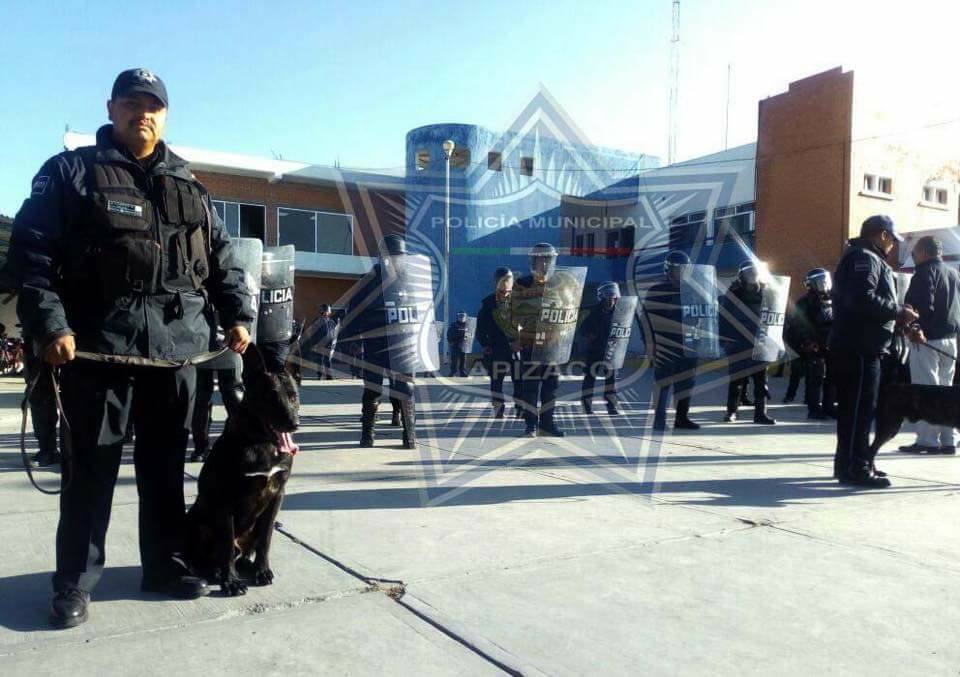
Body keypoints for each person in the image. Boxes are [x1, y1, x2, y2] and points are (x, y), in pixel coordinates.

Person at [8, 68, 255, 628]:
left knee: (164, 468)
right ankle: (74, 582)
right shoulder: (70, 173)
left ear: (164, 115)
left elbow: (222, 260)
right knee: (91, 471)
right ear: (111, 108)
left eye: (153, 105)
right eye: (131, 102)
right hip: (98, 350)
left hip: (176, 354)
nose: (142, 112)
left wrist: (238, 315)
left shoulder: (190, 185)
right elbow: (32, 256)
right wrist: (51, 326)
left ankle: (164, 565)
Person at [830, 215, 918, 488]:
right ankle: (857, 468)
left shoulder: (864, 256)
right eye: (892, 239)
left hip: (860, 345)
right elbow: (862, 298)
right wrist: (898, 312)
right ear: (881, 235)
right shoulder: (864, 258)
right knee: (859, 411)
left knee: (854, 410)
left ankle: (850, 464)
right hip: (859, 347)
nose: (893, 245)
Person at [342, 234, 419, 449]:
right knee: (373, 388)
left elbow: (421, 310)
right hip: (375, 341)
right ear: (383, 257)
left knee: (406, 389)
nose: (396, 261)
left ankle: (409, 435)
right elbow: (353, 311)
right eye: (393, 256)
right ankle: (367, 434)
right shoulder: (369, 281)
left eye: (399, 257)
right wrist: (353, 338)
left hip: (403, 342)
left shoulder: (409, 281)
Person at [509, 243, 582, 437]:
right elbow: (511, 314)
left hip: (552, 345)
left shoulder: (561, 284)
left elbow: (570, 311)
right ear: (533, 261)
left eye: (547, 260)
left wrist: (567, 336)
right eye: (540, 259)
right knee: (530, 388)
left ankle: (547, 423)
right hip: (530, 343)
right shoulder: (522, 284)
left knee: (551, 389)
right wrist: (513, 338)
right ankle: (531, 424)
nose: (543, 264)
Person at [898, 236, 960, 454]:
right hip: (950, 339)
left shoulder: (923, 273)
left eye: (914, 252)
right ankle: (949, 440)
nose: (913, 256)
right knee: (946, 390)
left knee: (926, 390)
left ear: (924, 251)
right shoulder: (953, 273)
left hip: (926, 339)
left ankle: (928, 441)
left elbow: (922, 306)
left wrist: (915, 327)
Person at [642, 251, 704, 431]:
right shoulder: (656, 291)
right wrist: (650, 344)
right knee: (663, 382)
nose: (682, 273)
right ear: (668, 270)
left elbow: (702, 315)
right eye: (678, 270)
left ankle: (682, 418)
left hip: (689, 344)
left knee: (686, 383)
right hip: (665, 344)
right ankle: (659, 420)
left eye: (685, 269)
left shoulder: (694, 291)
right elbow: (646, 320)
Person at [720, 261, 776, 424]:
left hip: (760, 341)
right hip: (738, 341)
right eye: (749, 273)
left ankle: (761, 414)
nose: (752, 276)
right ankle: (732, 411)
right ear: (741, 276)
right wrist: (725, 340)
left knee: (761, 381)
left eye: (754, 272)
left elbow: (774, 316)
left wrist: (775, 339)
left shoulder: (766, 292)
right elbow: (723, 317)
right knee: (736, 380)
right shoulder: (733, 293)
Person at [786, 268, 836, 420]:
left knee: (832, 377)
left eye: (825, 280)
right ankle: (814, 409)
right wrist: (807, 342)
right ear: (811, 284)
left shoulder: (835, 299)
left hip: (832, 343)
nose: (824, 284)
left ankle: (829, 407)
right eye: (820, 281)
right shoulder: (805, 302)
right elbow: (798, 324)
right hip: (814, 345)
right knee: (816, 378)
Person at [477, 267, 522, 419]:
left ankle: (520, 408)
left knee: (520, 380)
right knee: (496, 381)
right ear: (497, 282)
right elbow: (480, 328)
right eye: (503, 280)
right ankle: (498, 408)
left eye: (508, 280)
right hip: (496, 348)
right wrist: (485, 344)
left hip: (516, 347)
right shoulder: (488, 303)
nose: (505, 283)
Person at [579, 282, 622, 416]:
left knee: (611, 380)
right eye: (608, 298)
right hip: (595, 350)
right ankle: (586, 406)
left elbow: (624, 328)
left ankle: (611, 407)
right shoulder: (594, 312)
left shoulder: (620, 312)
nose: (611, 300)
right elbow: (582, 329)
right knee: (590, 377)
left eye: (613, 298)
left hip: (611, 351)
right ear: (602, 298)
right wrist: (590, 334)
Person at [23, 334, 62, 467]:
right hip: (39, 351)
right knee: (41, 401)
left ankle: (50, 451)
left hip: (43, 369)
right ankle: (48, 450)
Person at [310, 304, 337, 380]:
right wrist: (314, 344)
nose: (329, 312)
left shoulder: (331, 322)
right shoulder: (317, 321)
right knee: (320, 360)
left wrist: (333, 342)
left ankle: (329, 375)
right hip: (320, 344)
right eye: (328, 311)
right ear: (324, 311)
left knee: (328, 360)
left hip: (329, 344)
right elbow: (313, 333)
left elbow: (334, 332)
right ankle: (320, 375)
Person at [446, 311, 470, 377]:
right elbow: (449, 334)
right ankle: (453, 372)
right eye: (460, 316)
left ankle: (462, 372)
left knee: (463, 359)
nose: (461, 317)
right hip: (455, 345)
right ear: (457, 317)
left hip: (464, 345)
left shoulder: (467, 325)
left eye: (463, 316)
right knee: (454, 359)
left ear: (465, 317)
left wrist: (468, 340)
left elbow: (470, 334)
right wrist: (450, 341)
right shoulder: (454, 325)